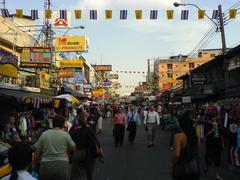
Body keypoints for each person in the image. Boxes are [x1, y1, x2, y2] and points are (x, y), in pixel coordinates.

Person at [33, 115, 76, 180]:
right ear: (62, 124)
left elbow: (37, 151)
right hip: (61, 165)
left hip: (46, 165)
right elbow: (73, 148)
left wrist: (33, 163)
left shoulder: (44, 134)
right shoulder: (65, 135)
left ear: (53, 123)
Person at [172, 111, 200, 180]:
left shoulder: (178, 136)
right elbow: (198, 151)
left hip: (182, 169)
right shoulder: (194, 135)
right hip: (193, 168)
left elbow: (176, 155)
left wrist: (173, 165)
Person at [204, 113, 224, 180]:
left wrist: (222, 144)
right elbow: (206, 135)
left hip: (218, 145)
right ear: (210, 118)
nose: (215, 118)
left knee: (217, 161)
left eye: (215, 117)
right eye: (213, 117)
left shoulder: (217, 124)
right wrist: (213, 129)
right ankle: (206, 167)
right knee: (209, 160)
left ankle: (217, 175)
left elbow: (220, 134)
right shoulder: (207, 124)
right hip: (210, 145)